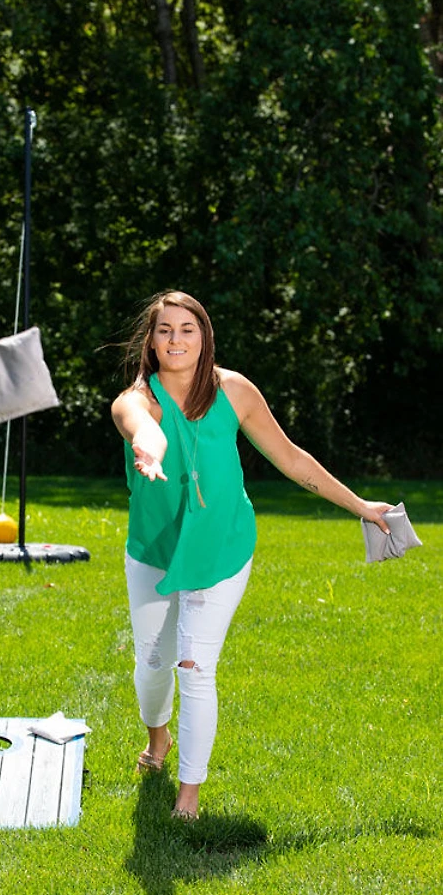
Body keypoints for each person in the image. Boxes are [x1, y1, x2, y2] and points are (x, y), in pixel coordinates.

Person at [111, 290, 391, 821]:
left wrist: (359, 505)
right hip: (155, 549)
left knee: (195, 667)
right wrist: (149, 445)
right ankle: (158, 736)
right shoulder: (136, 398)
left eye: (187, 329)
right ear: (151, 341)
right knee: (152, 663)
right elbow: (139, 425)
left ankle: (189, 794)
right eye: (165, 330)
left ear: (204, 337)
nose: (175, 339)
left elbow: (290, 457)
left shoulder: (233, 390)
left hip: (222, 547)